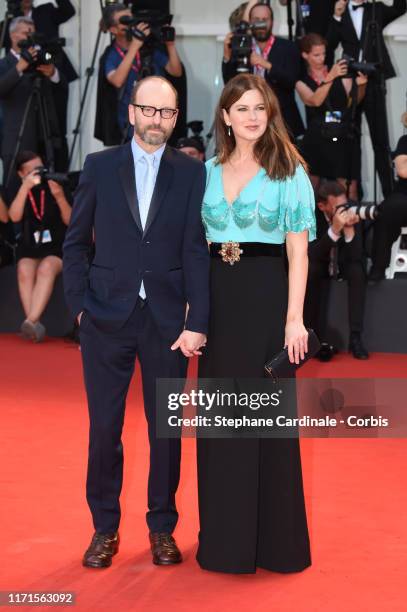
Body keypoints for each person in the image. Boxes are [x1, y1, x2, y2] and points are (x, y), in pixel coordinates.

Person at [63, 76, 209, 569]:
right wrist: (79, 305)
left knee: (165, 429)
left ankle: (161, 527)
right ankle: (104, 528)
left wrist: (198, 317)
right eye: (148, 110)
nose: (157, 121)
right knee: (104, 429)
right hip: (105, 317)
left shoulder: (191, 174)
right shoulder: (100, 166)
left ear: (174, 118)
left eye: (167, 113)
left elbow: (195, 252)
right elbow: (76, 241)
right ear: (131, 113)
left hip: (166, 323)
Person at [197, 73, 316, 574]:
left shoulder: (290, 171)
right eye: (241, 108)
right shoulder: (202, 172)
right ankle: (225, 543)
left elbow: (299, 253)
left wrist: (295, 321)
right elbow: (191, 248)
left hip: (267, 303)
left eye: (259, 109)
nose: (251, 117)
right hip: (217, 308)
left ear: (270, 116)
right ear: (225, 116)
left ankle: (274, 546)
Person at [326, 0, 407, 197]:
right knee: (350, 138)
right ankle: (355, 196)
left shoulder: (375, 9)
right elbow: (330, 43)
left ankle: (389, 195)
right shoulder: (341, 12)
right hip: (350, 80)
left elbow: (400, 8)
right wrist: (336, 16)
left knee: (381, 141)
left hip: (374, 79)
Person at [0, 17, 67, 199]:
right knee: (14, 187)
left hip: (44, 134)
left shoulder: (40, 61)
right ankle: (15, 227)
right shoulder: (4, 64)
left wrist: (52, 72)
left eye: (33, 32)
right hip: (17, 138)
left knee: (47, 184)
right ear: (13, 36)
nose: (31, 37)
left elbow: (61, 86)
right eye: (26, 33)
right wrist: (20, 67)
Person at [8, 151, 71, 342]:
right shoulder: (19, 188)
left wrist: (59, 197)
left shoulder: (54, 184)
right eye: (33, 170)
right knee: (24, 269)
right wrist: (25, 187)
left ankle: (30, 321)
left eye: (41, 167)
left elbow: (71, 221)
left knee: (46, 268)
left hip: (56, 246)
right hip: (31, 246)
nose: (39, 173)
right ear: (21, 174)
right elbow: (14, 217)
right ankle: (33, 325)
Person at [96, 3, 183, 142]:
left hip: (158, 119)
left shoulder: (149, 48)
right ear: (113, 29)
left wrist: (170, 45)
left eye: (132, 19)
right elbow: (117, 80)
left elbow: (176, 72)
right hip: (129, 125)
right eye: (125, 21)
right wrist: (135, 45)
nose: (132, 25)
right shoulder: (112, 55)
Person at [296, 33, 367, 199]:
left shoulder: (340, 73)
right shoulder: (301, 81)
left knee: (349, 188)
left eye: (324, 53)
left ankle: (350, 223)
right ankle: (313, 224)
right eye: (316, 55)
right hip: (317, 138)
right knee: (311, 188)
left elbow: (354, 100)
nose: (322, 58)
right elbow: (314, 100)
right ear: (305, 55)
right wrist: (331, 76)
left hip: (342, 136)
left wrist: (361, 86)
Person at [304, 180, 369, 359]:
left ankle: (355, 338)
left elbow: (356, 256)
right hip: (322, 265)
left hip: (344, 263)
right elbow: (312, 254)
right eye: (337, 207)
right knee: (310, 270)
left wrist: (349, 231)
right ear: (322, 206)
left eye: (345, 205)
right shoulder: (311, 217)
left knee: (357, 271)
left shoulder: (353, 212)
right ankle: (310, 337)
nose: (343, 210)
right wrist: (334, 230)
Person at [222, 2, 304, 138]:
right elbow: (229, 82)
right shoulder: (242, 45)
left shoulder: (288, 47)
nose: (261, 24)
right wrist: (227, 54)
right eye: (256, 20)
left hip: (283, 122)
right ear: (250, 22)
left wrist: (266, 64)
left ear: (272, 21)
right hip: (249, 121)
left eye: (264, 20)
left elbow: (292, 81)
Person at [370, 132, 407, 281]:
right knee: (389, 209)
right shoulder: (405, 140)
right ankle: (378, 266)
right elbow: (402, 170)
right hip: (404, 197)